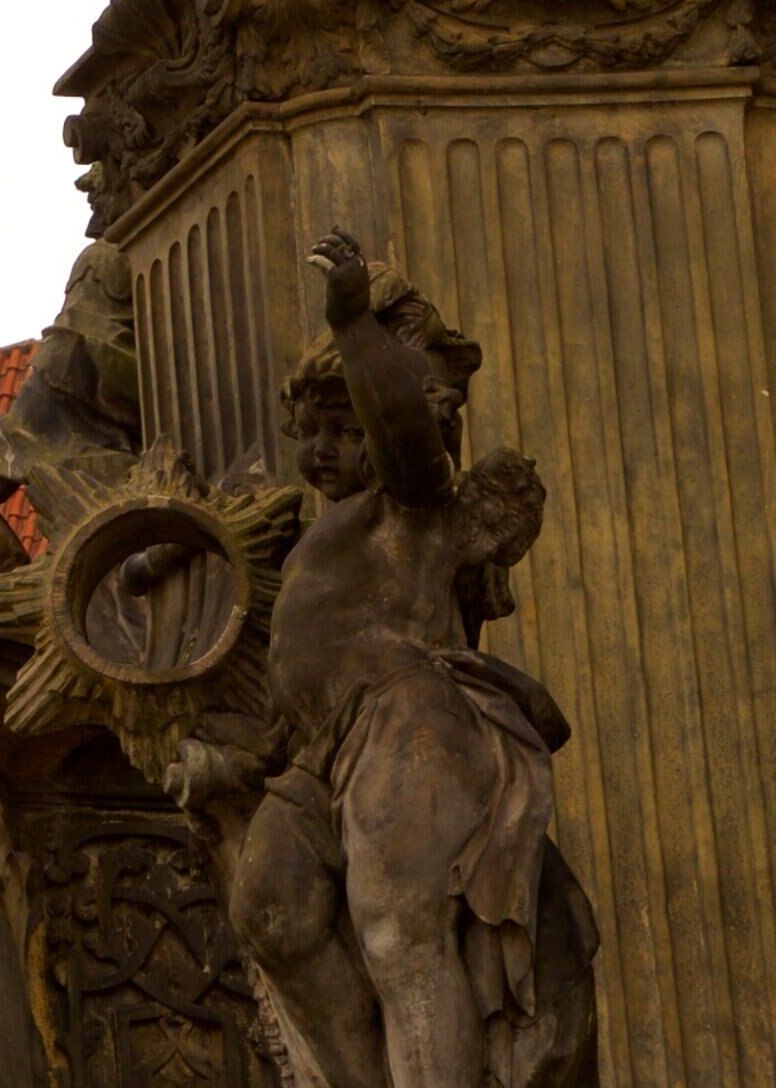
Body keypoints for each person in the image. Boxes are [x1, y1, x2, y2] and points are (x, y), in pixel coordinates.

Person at [205, 232, 594, 1088]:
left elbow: (406, 434)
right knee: (269, 905)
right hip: (323, 750)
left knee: (399, 933)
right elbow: (290, 697)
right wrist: (231, 760)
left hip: (405, 716)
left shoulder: (413, 498)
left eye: (346, 431)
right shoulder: (319, 535)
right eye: (311, 431)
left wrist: (353, 324)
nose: (322, 450)